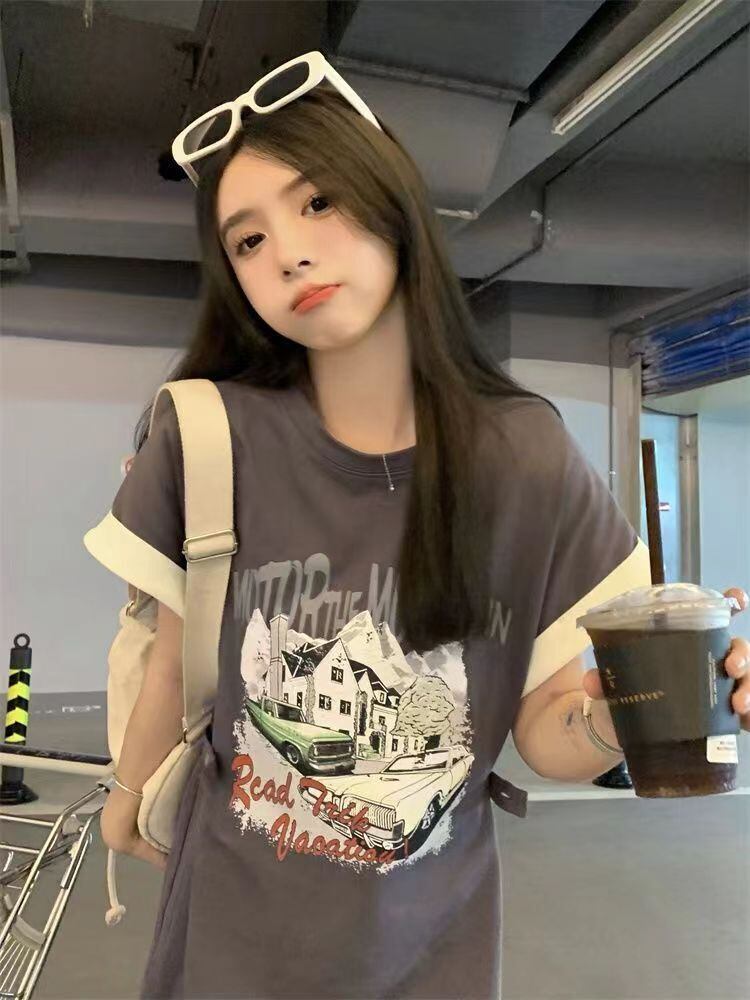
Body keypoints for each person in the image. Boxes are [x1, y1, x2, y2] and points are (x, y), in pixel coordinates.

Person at [82, 54, 750, 1000]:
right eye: (248, 240)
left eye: (318, 203)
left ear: (390, 200)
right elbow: (172, 661)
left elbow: (545, 731)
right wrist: (127, 796)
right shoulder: (204, 432)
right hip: (228, 937)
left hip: (430, 950)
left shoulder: (525, 455)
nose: (289, 254)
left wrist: (617, 712)